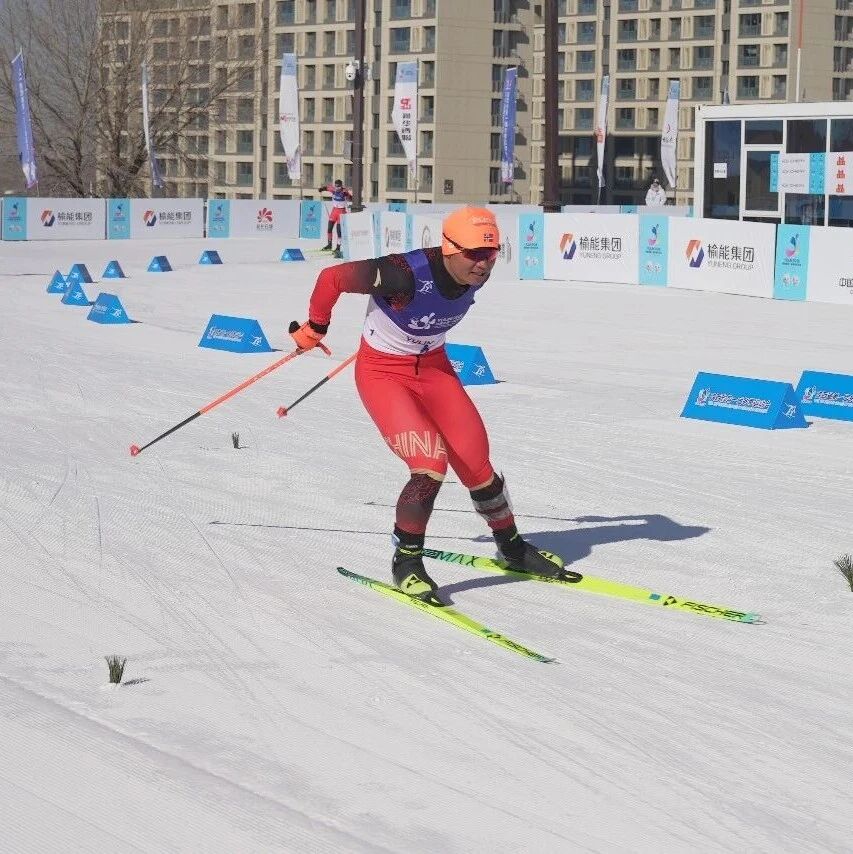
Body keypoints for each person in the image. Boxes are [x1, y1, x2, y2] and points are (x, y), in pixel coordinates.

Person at [288, 206, 566, 603]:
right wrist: (315, 327)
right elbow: (331, 277)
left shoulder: (475, 273)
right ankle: (407, 562)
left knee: (477, 466)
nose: (482, 264)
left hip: (434, 370)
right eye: (472, 254)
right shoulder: (402, 273)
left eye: (490, 254)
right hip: (384, 374)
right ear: (448, 248)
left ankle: (512, 548)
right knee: (429, 465)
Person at [317, 179, 352, 258]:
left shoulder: (344, 191)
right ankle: (329, 245)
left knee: (339, 231)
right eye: (336, 186)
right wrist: (321, 189)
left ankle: (338, 247)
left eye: (338, 186)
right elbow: (326, 188)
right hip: (334, 211)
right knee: (329, 228)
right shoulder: (333, 189)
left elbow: (351, 198)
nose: (337, 188)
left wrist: (348, 195)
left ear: (341, 186)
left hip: (341, 212)